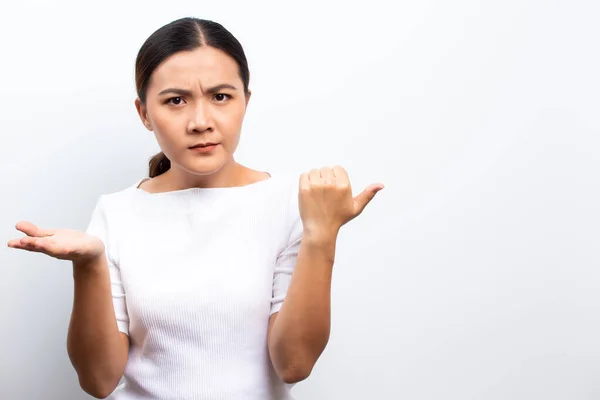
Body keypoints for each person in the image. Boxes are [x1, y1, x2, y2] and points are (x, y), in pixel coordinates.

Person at [7, 17, 384, 399]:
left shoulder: (293, 203)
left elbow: (294, 364)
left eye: (221, 97)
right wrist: (88, 266)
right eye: (175, 101)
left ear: (246, 101)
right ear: (144, 113)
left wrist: (322, 236)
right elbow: (98, 381)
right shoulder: (116, 213)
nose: (201, 122)